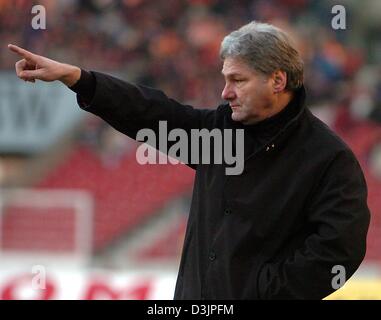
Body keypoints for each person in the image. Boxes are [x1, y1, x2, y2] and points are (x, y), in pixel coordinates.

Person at [8, 21, 370, 300]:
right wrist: (80, 79)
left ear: (277, 80)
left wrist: (263, 292)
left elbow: (339, 248)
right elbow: (150, 113)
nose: (225, 92)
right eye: (225, 79)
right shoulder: (216, 135)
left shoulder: (328, 158)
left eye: (237, 80)